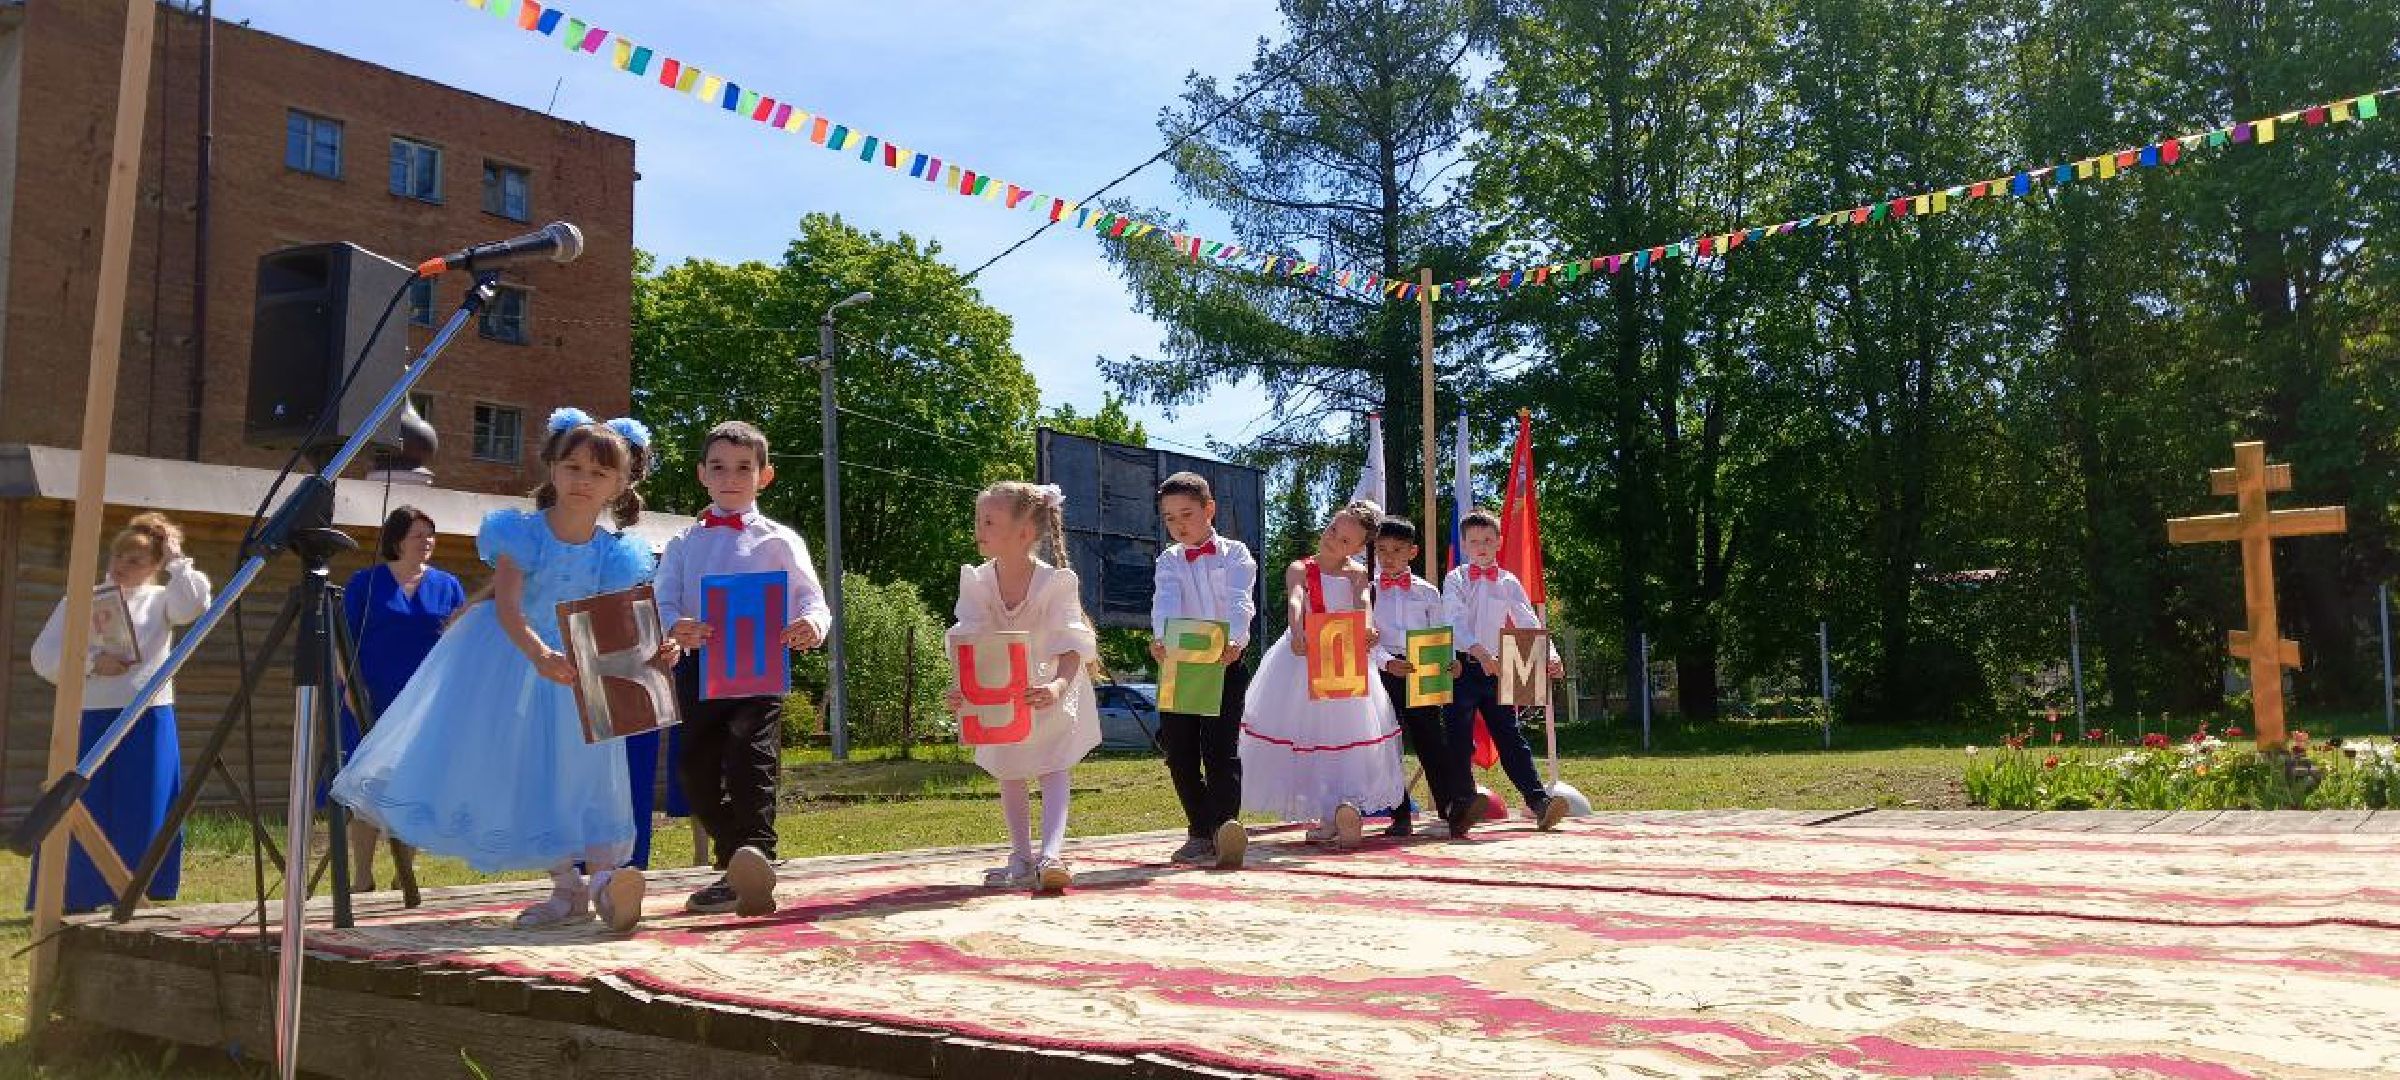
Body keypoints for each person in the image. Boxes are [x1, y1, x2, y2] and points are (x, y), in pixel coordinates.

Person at [333, 409, 661, 931]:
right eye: (573, 466)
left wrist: (656, 651)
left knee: (592, 774)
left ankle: (605, 881)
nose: (583, 480)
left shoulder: (616, 553)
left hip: (583, 672)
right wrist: (539, 655)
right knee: (531, 772)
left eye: (599, 473)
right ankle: (565, 887)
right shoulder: (523, 534)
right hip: (520, 663)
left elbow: (622, 618)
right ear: (552, 467)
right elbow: (508, 607)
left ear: (620, 485)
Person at [657, 421, 830, 916]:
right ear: (701, 475)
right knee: (695, 768)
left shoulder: (781, 540)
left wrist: (811, 625)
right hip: (702, 669)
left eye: (743, 468)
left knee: (751, 762)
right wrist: (675, 624)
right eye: (718, 467)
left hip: (760, 671)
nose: (730, 477)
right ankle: (739, 865)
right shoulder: (684, 543)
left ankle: (756, 860)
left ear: (764, 476)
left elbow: (811, 598)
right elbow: (663, 598)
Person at [28, 513, 212, 912]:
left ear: (154, 567)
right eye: (118, 556)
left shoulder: (164, 599)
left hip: (147, 717)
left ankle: (141, 890)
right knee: (84, 802)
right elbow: (42, 657)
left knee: (144, 802)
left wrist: (177, 557)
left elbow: (195, 604)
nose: (122, 565)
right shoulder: (81, 598)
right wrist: (93, 662)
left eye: (135, 560)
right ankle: (74, 894)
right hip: (91, 714)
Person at [946, 482, 1102, 892]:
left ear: (1024, 533)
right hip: (1001, 691)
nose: (979, 528)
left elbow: (1071, 647)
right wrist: (964, 691)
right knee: (1008, 768)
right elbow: (971, 643)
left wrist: (1056, 687)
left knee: (1053, 765)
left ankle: (1051, 855)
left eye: (990, 521)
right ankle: (1020, 855)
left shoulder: (1056, 583)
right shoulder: (977, 582)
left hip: (1049, 687)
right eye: (978, 519)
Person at [1238, 500, 1406, 847]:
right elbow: (1297, 598)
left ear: (1360, 549)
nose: (1333, 541)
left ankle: (1343, 810)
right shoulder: (1301, 567)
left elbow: (1363, 604)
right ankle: (1328, 813)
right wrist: (1296, 627)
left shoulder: (1356, 574)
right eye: (1333, 531)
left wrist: (1368, 627)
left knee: (1346, 732)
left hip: (1343, 660)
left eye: (1345, 541)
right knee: (1310, 733)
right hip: (1303, 658)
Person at [336, 506, 467, 893]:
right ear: (397, 541)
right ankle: (362, 875)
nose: (426, 542)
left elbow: (457, 643)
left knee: (412, 785)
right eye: (417, 535)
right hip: (369, 698)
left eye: (431, 535)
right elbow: (342, 639)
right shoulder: (366, 583)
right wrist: (347, 689)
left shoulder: (448, 585)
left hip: (425, 702)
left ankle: (404, 873)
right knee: (366, 786)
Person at [1149, 471, 1257, 869]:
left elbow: (1239, 601)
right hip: (1181, 662)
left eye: (1187, 514)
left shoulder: (1235, 554)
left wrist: (1235, 640)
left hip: (1225, 662)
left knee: (1220, 750)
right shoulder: (1168, 560)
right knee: (1179, 751)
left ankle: (1224, 829)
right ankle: (1198, 831)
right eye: (1170, 518)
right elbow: (1166, 603)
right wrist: (1161, 638)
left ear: (1209, 509)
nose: (1179, 525)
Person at [1441, 509, 1567, 838]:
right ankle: (1463, 805)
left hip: (1497, 667)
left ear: (1498, 542)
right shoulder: (1455, 579)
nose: (1481, 547)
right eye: (1474, 542)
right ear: (1465, 546)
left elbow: (1527, 621)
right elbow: (1453, 621)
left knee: (1511, 737)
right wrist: (1478, 652)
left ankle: (1539, 803)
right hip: (1461, 668)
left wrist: (1550, 656)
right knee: (1457, 739)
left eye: (1487, 540)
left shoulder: (1509, 581)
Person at [1367, 516, 1466, 838]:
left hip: (1423, 669)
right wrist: (1385, 662)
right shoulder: (1367, 591)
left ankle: (1450, 807)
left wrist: (1450, 661)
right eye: (1381, 550)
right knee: (1389, 743)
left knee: (1432, 740)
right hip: (1385, 672)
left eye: (1397, 550)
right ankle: (1399, 813)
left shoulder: (1427, 592)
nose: (1388, 557)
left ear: (1413, 552)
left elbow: (1440, 632)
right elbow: (1366, 638)